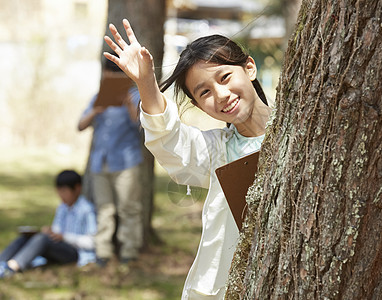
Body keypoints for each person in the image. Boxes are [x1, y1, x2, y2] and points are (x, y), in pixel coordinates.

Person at [104, 19, 272, 299]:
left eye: (225, 77)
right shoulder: (217, 152)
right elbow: (170, 141)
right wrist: (145, 82)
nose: (221, 95)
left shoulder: (300, 135)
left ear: (249, 68)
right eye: (204, 92)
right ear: (198, 105)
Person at [78, 59, 144, 266]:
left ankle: (129, 251)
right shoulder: (98, 98)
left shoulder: (134, 95)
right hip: (100, 162)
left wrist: (128, 104)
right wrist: (95, 111)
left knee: (128, 208)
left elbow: (142, 127)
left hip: (126, 162)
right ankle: (103, 252)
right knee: (103, 208)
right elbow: (80, 125)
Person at [0, 170, 97, 278]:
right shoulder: (62, 207)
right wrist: (51, 232)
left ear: (77, 188)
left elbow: (91, 242)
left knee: (43, 239)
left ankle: (12, 267)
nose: (61, 195)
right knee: (26, 237)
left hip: (76, 253)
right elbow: (57, 229)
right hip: (59, 247)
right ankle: (1, 261)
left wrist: (64, 237)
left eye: (64, 191)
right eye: (59, 191)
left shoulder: (87, 210)